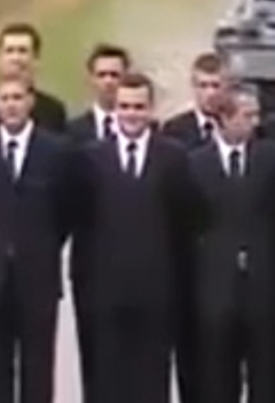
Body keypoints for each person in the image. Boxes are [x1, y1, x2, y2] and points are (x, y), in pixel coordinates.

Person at [0, 73, 76, 403]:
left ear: (30, 103)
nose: (11, 105)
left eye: (17, 98)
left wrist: (42, 245)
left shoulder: (55, 151)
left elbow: (66, 210)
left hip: (36, 274)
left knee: (37, 366)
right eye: (5, 99)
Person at [75, 72, 191, 403]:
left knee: (152, 377)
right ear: (115, 110)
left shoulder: (173, 157)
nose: (131, 114)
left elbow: (185, 220)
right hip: (106, 289)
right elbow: (81, 222)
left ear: (151, 109)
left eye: (139, 107)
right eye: (125, 106)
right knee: (109, 376)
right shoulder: (91, 158)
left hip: (157, 289)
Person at [182, 84, 275, 403]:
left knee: (266, 376)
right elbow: (187, 222)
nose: (255, 122)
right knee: (217, 376)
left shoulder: (273, 159)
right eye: (247, 115)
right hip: (215, 288)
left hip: (262, 287)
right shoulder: (194, 164)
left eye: (257, 114)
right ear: (224, 119)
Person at [159, 51, 229, 403]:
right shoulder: (174, 133)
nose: (210, 93)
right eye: (203, 86)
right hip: (187, 259)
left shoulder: (243, 128)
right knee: (189, 353)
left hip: (227, 259)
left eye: (216, 85)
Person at [64, 42, 132, 403]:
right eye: (102, 75)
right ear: (91, 79)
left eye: (115, 75)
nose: (108, 82)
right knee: (95, 354)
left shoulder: (148, 132)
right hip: (90, 263)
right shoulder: (72, 134)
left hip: (136, 266)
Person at [0, 22, 68, 156]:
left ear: (36, 58)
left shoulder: (53, 110)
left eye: (23, 51)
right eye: (9, 51)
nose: (16, 58)